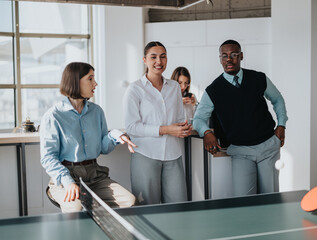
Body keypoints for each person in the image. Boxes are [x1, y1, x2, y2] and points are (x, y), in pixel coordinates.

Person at [193, 39, 288, 196]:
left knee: (271, 199)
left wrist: (281, 125)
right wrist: (207, 133)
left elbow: (277, 99)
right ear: (220, 59)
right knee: (243, 201)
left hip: (268, 147)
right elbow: (198, 119)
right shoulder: (213, 90)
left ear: (241, 56)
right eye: (224, 56)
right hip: (240, 151)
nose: (229, 59)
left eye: (234, 54)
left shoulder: (259, 78)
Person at [40, 62, 136, 213]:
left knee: (129, 201)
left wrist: (116, 136)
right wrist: (68, 182)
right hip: (66, 176)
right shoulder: (54, 115)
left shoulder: (97, 112)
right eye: (90, 79)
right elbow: (48, 158)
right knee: (76, 209)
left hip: (95, 176)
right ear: (75, 82)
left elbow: (103, 148)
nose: (95, 83)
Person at [123, 41, 192, 205]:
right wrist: (166, 129)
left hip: (173, 155)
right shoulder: (135, 89)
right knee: (147, 209)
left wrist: (184, 128)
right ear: (144, 60)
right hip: (145, 156)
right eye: (153, 57)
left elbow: (179, 118)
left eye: (163, 57)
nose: (159, 62)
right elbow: (131, 127)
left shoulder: (174, 87)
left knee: (179, 207)